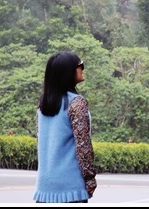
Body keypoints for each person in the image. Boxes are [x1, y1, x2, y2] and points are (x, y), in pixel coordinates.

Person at [33, 51, 97, 203]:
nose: (82, 68)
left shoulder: (43, 104)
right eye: (80, 65)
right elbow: (83, 147)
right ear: (69, 72)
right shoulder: (77, 103)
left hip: (44, 188)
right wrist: (90, 178)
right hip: (71, 188)